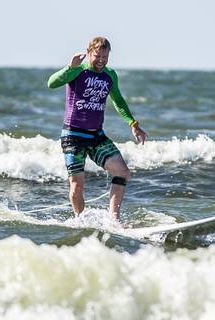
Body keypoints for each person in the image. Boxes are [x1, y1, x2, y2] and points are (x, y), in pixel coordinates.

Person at [47, 36, 147, 223]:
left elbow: (118, 101)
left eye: (105, 56)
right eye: (97, 56)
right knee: (77, 186)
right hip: (73, 136)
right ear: (89, 52)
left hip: (96, 136)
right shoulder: (77, 71)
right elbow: (51, 83)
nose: (101, 60)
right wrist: (70, 67)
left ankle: (114, 221)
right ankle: (80, 221)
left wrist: (133, 124)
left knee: (122, 172)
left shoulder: (110, 75)